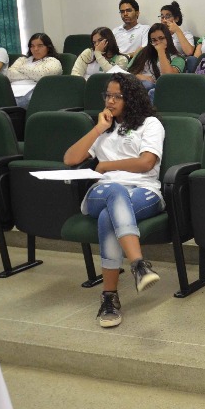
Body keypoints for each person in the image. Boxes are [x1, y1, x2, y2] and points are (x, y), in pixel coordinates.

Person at [62, 74, 165, 329]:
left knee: (109, 216)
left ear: (131, 98)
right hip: (103, 191)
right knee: (114, 191)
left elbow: (146, 163)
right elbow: (70, 159)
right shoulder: (104, 128)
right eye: (107, 95)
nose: (110, 101)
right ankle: (138, 264)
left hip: (144, 190)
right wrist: (98, 129)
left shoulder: (150, 124)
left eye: (117, 96)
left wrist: (106, 165)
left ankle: (109, 297)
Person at [6, 33, 63, 108]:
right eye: (32, 46)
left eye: (40, 46)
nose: (35, 49)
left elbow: (42, 76)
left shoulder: (53, 61)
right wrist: (33, 75)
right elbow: (9, 74)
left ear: (48, 47)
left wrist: (21, 69)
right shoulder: (22, 60)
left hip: (35, 92)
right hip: (11, 89)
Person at [128, 24, 185, 90]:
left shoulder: (178, 58)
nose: (158, 42)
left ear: (168, 38)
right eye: (154, 40)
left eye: (161, 38)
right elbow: (127, 72)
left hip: (160, 90)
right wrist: (139, 77)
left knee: (148, 86)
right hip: (137, 86)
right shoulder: (143, 52)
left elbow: (168, 78)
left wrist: (161, 51)